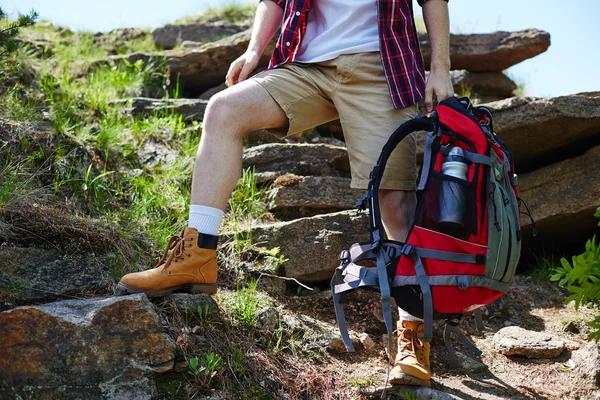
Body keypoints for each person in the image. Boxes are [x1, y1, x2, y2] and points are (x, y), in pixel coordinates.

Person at [119, 0, 453, 387]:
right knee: (223, 109)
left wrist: (439, 67)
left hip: (381, 67)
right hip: (305, 64)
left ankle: (412, 335)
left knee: (395, 201)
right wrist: (253, 51)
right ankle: (197, 255)